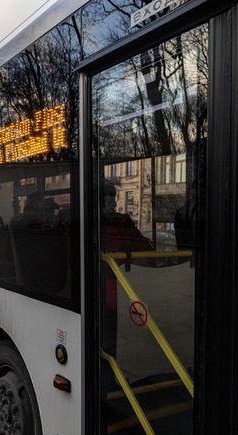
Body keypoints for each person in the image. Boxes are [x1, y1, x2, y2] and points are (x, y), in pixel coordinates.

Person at [99, 179, 153, 430]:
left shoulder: (122, 221)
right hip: (108, 294)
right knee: (109, 344)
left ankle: (119, 383)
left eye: (112, 195)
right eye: (106, 196)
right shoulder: (91, 225)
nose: (110, 200)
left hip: (131, 290)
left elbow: (146, 249)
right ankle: (109, 386)